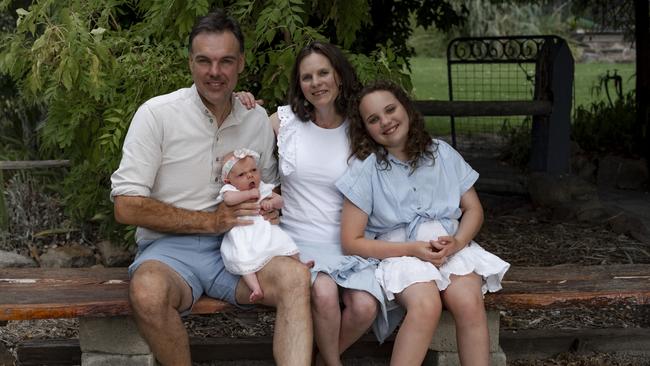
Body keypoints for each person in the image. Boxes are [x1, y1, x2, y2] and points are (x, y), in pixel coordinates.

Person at [110, 10, 312, 366]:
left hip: (243, 246)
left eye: (225, 61)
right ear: (190, 62)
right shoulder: (157, 115)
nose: (214, 72)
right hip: (169, 252)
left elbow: (266, 187)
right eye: (204, 61)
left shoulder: (254, 121)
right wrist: (209, 222)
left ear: (241, 64)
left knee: (296, 277)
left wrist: (270, 207)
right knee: (147, 291)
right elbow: (126, 206)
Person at [338, 80, 510, 365]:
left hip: (450, 247)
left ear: (405, 107)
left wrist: (457, 242)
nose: (386, 121)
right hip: (401, 253)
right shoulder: (365, 169)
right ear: (365, 129)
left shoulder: (441, 153)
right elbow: (350, 241)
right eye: (373, 119)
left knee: (469, 302)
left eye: (391, 109)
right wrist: (412, 250)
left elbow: (474, 210)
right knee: (426, 305)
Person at [268, 42, 390, 366]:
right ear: (299, 84)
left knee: (364, 307)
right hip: (298, 239)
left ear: (338, 75)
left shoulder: (361, 127)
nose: (316, 82)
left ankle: (319, 360)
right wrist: (244, 102)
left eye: (323, 72)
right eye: (307, 77)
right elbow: (244, 151)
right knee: (323, 294)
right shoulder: (285, 122)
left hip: (348, 240)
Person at [218, 148, 301, 302]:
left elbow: (281, 201)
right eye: (241, 174)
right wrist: (248, 195)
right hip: (243, 233)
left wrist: (271, 203)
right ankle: (255, 288)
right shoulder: (230, 190)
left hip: (264, 229)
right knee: (243, 258)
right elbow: (229, 200)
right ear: (228, 180)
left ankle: (299, 262)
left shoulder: (261, 186)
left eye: (253, 170)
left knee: (284, 242)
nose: (250, 175)